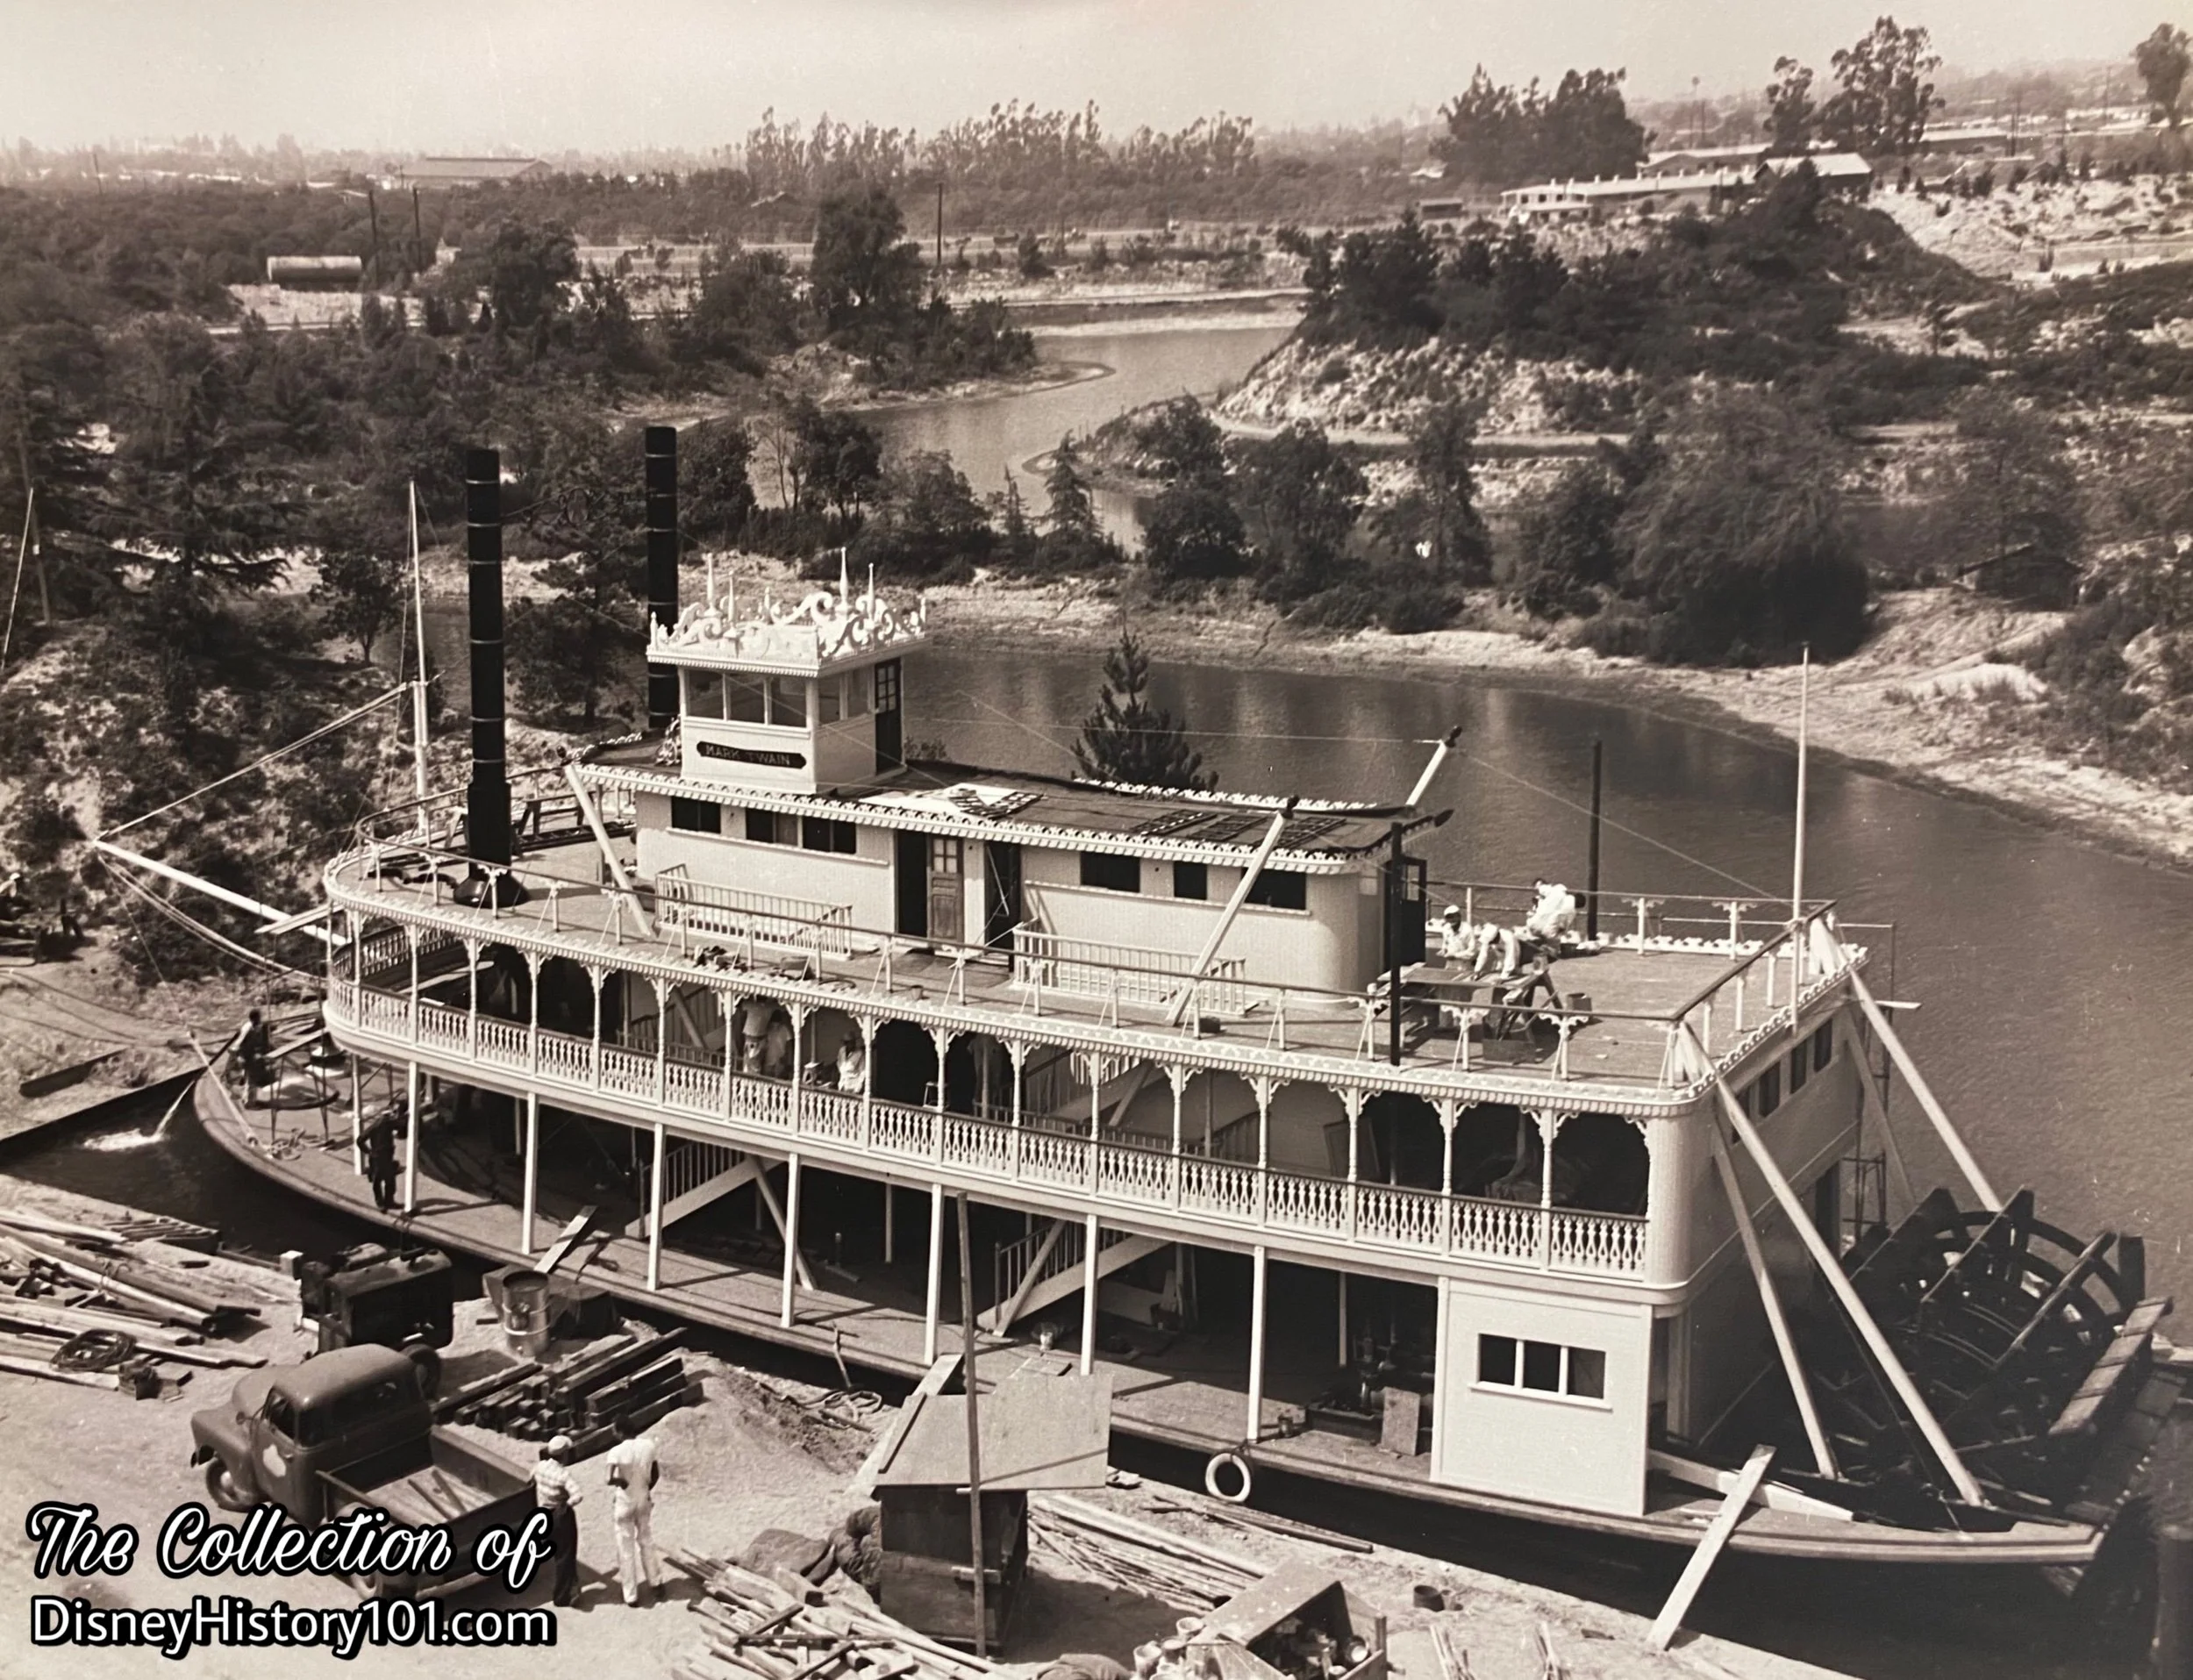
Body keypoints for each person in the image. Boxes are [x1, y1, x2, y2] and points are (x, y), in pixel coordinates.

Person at [604, 1414, 661, 1607]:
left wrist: (622, 1482)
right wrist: (645, 1488)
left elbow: (608, 1478)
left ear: (620, 1432)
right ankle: (656, 1583)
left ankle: (631, 1595)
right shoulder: (648, 1446)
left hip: (624, 1501)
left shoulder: (616, 1451)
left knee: (625, 1548)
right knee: (646, 1540)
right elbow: (655, 1473)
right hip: (643, 1498)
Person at [532, 1435, 582, 1608]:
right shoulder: (563, 1475)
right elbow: (577, 1495)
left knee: (557, 1553)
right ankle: (562, 1596)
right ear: (564, 1455)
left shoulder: (540, 1467)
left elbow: (531, 1479)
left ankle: (572, 1583)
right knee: (565, 1555)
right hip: (560, 1515)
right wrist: (566, 1504)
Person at [362, 1108, 401, 1213]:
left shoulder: (381, 1125)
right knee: (379, 1180)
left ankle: (387, 1202)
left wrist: (368, 1151)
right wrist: (369, 1152)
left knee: (389, 1179)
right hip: (378, 1158)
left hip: (385, 1156)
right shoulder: (381, 1125)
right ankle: (381, 1203)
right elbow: (360, 1140)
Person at [237, 1009, 273, 1108]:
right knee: (251, 1081)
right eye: (259, 1017)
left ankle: (246, 1098)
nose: (260, 1020)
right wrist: (243, 1057)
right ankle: (250, 1103)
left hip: (247, 1056)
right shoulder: (248, 1029)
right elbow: (240, 1044)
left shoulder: (251, 1027)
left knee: (249, 1080)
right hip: (246, 1057)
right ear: (255, 1018)